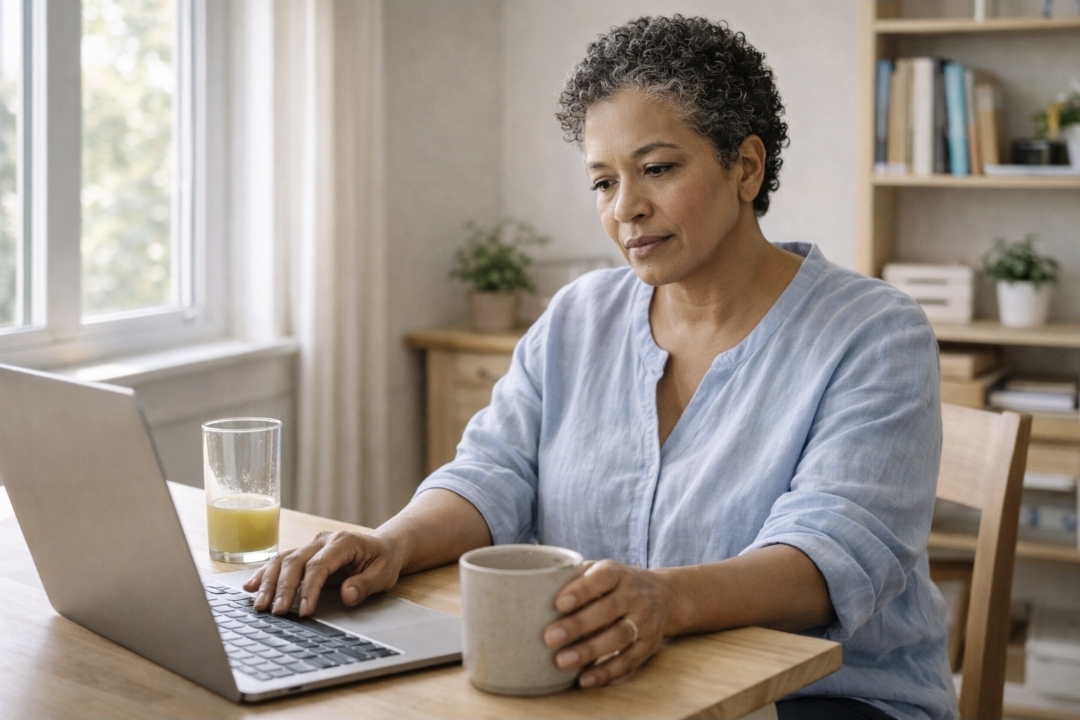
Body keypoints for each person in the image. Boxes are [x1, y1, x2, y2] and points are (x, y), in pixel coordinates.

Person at [246, 16, 957, 720]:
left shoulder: (873, 334)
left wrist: (664, 600)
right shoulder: (577, 316)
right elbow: (492, 473)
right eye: (602, 182)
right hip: (622, 686)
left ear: (746, 166)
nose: (626, 210)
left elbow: (829, 556)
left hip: (829, 700)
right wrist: (390, 542)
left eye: (657, 169)